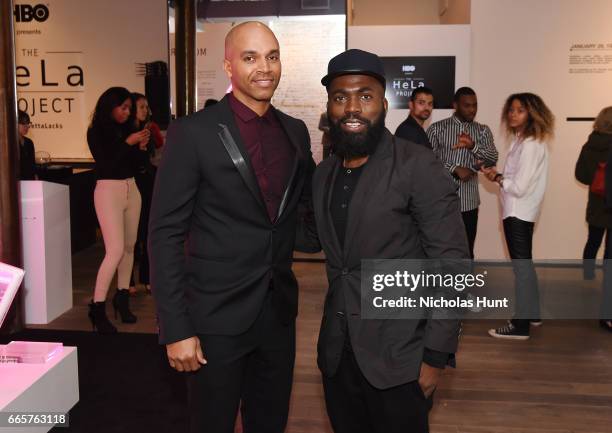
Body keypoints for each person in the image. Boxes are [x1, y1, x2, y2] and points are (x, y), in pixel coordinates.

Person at [148, 21, 316, 433]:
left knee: (270, 422)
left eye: (272, 56)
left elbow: (300, 213)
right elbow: (165, 233)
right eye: (250, 57)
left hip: (277, 316)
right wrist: (176, 327)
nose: (265, 67)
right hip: (213, 319)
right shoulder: (193, 132)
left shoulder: (294, 132)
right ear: (227, 65)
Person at [300, 49, 468, 433]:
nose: (352, 108)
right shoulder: (324, 173)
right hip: (337, 355)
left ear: (384, 101)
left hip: (400, 359)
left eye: (365, 95)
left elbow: (452, 263)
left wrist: (436, 356)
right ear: (329, 105)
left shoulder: (416, 165)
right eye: (341, 97)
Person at [481, 92, 554, 340]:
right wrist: (500, 176)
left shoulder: (531, 144)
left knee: (521, 268)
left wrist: (498, 178)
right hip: (517, 210)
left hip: (518, 212)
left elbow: (519, 186)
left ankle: (520, 325)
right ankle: (532, 315)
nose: (513, 114)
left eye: (520, 110)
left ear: (532, 114)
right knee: (525, 265)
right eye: (511, 110)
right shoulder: (522, 140)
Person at [87, 87, 150, 333]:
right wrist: (128, 143)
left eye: (129, 108)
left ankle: (122, 298)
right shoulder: (96, 132)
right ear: (109, 106)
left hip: (131, 188)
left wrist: (141, 148)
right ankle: (98, 306)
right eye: (122, 107)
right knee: (113, 250)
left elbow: (136, 166)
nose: (126, 113)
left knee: (128, 247)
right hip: (108, 190)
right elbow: (106, 163)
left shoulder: (128, 130)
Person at [428, 87, 498, 258]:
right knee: (441, 251)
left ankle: (465, 284)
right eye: (467, 105)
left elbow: (492, 159)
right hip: (441, 201)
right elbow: (428, 162)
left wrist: (472, 146)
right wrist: (454, 168)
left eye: (475, 105)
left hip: (469, 202)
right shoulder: (437, 129)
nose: (472, 110)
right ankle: (442, 284)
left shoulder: (482, 130)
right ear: (455, 105)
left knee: (466, 251)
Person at [128, 92, 164, 294]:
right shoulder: (125, 134)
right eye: (142, 107)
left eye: (146, 107)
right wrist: (136, 147)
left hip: (148, 185)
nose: (145, 111)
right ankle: (129, 281)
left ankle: (147, 276)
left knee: (149, 232)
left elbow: (152, 157)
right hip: (132, 185)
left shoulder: (147, 130)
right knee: (131, 235)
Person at [575, 107, 612, 280]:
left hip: (596, 202)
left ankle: (588, 275)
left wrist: (595, 180)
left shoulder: (589, 145)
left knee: (593, 240)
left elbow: (580, 175)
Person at [17, 110, 37, 180]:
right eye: (23, 123)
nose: (27, 127)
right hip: (16, 181)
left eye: (28, 123)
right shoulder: (10, 144)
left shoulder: (29, 142)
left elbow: (32, 165)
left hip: (29, 181)